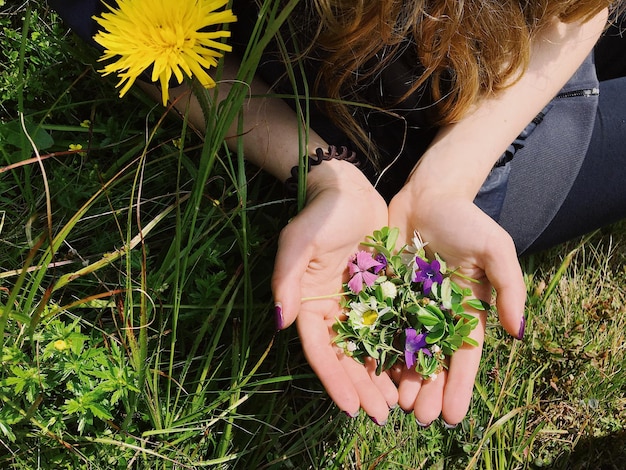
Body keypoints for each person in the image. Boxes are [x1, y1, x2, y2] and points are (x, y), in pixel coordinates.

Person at [49, 0, 626, 428]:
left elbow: (574, 11)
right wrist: (322, 169)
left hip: (504, 93)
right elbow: (127, 34)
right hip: (363, 131)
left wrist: (454, 173)